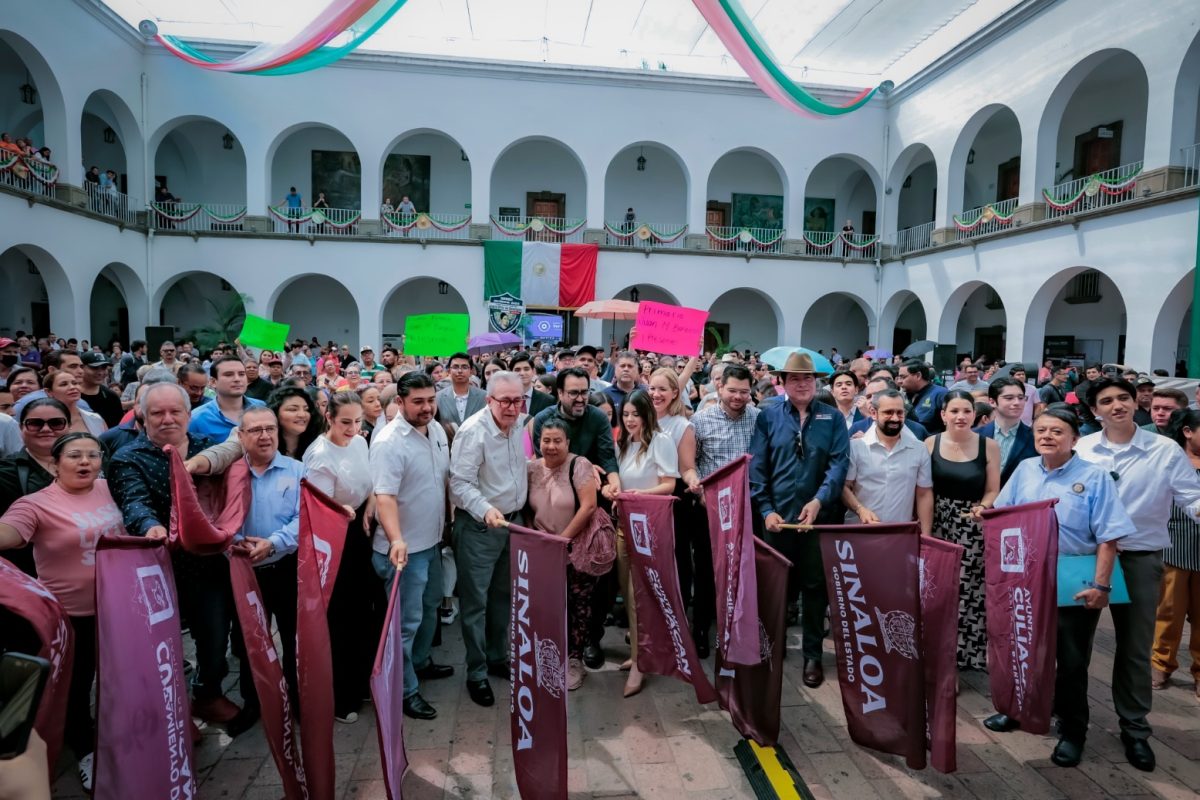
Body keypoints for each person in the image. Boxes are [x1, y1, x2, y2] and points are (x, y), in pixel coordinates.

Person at [986, 406, 1135, 767]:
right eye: (1041, 431)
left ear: (1074, 438)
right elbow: (1003, 516)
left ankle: (1073, 731)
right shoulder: (1024, 470)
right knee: (1024, 651)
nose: (1047, 437)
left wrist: (1102, 586)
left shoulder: (1095, 477)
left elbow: (1109, 537)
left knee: (1070, 662)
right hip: (1026, 579)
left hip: (1073, 579)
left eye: (1056, 431)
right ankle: (1019, 710)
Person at [1075, 378, 1200, 772]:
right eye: (1106, 401)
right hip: (1084, 560)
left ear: (1135, 404)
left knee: (1134, 648)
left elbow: (1193, 498)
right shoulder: (1082, 449)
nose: (1116, 406)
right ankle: (1072, 726)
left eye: (1123, 398)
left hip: (1141, 558)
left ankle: (1134, 730)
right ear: (1095, 410)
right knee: (1076, 646)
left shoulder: (1163, 451)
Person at [107, 384, 242, 724]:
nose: (167, 419)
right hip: (156, 567)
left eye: (175, 412)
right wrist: (150, 526)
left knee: (214, 637)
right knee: (159, 649)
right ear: (143, 416)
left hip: (208, 565)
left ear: (187, 414)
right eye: (157, 413)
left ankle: (207, 695)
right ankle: (169, 714)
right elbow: (133, 500)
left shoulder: (209, 448)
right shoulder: (128, 457)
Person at [0, 432, 120, 792]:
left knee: (121, 679)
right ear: (54, 464)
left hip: (122, 610)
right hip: (71, 617)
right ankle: (86, 751)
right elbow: (8, 534)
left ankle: (125, 739)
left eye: (92, 455)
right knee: (78, 687)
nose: (85, 462)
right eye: (74, 456)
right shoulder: (34, 504)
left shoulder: (111, 487)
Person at [748, 352, 849, 688]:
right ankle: (770, 649)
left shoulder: (832, 418)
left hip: (818, 520)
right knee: (773, 586)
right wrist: (765, 509)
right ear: (783, 382)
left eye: (807, 378)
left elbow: (838, 467)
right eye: (794, 378)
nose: (802, 384)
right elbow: (757, 467)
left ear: (816, 381)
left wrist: (819, 502)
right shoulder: (768, 414)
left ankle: (812, 656)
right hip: (777, 519)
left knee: (815, 587)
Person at [370, 372, 454, 720]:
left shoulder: (435, 430)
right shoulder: (389, 442)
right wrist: (397, 539)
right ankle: (405, 691)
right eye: (418, 402)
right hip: (403, 552)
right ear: (399, 403)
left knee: (431, 605)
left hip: (432, 541)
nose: (426, 407)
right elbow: (384, 497)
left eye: (431, 400)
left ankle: (420, 664)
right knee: (404, 624)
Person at [449, 371, 528, 707]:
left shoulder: (522, 423)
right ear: (489, 400)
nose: (512, 408)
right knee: (475, 604)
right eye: (505, 401)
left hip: (513, 524)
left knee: (502, 597)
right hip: (481, 527)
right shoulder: (473, 432)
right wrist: (486, 510)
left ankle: (498, 657)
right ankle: (477, 673)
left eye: (518, 400)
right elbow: (460, 484)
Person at [302, 392, 382, 723]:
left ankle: (364, 680)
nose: (352, 429)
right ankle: (341, 694)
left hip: (361, 529)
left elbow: (371, 482)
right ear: (329, 417)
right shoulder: (319, 455)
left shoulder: (361, 443)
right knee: (342, 618)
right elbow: (316, 508)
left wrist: (370, 504)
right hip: (334, 540)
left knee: (368, 610)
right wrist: (342, 511)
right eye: (345, 422)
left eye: (357, 422)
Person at [227, 406, 305, 733]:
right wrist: (238, 541)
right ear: (241, 436)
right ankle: (253, 702)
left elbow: (306, 519)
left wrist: (273, 542)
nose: (265, 436)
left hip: (285, 567)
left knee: (291, 637)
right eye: (256, 430)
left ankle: (296, 700)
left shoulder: (298, 470)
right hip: (243, 571)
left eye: (270, 429)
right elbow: (219, 516)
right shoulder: (229, 474)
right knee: (250, 642)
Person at [605, 389, 678, 697]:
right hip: (623, 524)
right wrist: (614, 491)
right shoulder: (622, 442)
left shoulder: (660, 441)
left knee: (640, 597)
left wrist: (640, 497)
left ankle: (642, 662)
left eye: (636, 414)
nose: (631, 420)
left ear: (648, 414)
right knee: (627, 591)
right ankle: (637, 652)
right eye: (627, 415)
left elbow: (670, 483)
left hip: (649, 526)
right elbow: (617, 479)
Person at [927, 389, 1001, 671]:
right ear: (943, 414)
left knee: (970, 591)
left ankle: (966, 656)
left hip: (973, 525)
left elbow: (993, 488)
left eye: (966, 411)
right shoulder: (930, 444)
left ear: (975, 415)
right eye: (954, 411)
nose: (960, 417)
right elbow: (924, 491)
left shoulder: (989, 446)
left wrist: (983, 506)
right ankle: (938, 652)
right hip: (939, 523)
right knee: (940, 590)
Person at [526, 418, 599, 690]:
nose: (552, 446)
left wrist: (563, 540)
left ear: (568, 442)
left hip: (575, 549)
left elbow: (589, 506)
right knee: (546, 606)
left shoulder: (579, 465)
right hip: (542, 550)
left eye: (558, 440)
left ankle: (575, 660)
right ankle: (548, 656)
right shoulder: (531, 468)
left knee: (578, 606)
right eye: (546, 440)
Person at [1150, 409, 1200, 700]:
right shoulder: (1170, 460)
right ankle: (1162, 663)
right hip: (1173, 545)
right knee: (1168, 611)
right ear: (1188, 432)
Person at [841, 389, 933, 532]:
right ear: (873, 413)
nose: (895, 418)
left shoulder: (919, 449)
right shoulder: (856, 447)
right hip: (860, 530)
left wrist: (926, 537)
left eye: (900, 413)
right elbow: (844, 487)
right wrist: (860, 510)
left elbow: (924, 493)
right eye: (888, 412)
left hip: (900, 533)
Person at [975, 376, 1038, 486]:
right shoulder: (975, 435)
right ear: (992, 401)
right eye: (1009, 398)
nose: (1017, 402)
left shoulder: (1035, 437)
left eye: (1021, 397)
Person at [188, 357, 264, 441]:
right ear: (213, 382)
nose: (237, 379)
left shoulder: (262, 407)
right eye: (229, 375)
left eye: (241, 374)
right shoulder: (196, 419)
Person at [437, 352, 486, 428]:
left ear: (471, 371)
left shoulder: (484, 397)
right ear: (449, 371)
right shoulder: (438, 397)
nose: (460, 371)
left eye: (464, 367)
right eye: (455, 367)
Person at [898, 359, 948, 434]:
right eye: (899, 377)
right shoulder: (902, 396)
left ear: (918, 376)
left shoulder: (941, 394)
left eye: (903, 377)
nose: (899, 381)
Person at [78, 352, 123, 429]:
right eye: (94, 368)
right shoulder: (72, 395)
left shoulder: (111, 397)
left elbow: (117, 428)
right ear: (81, 368)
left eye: (104, 367)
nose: (100, 372)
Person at [510, 352, 553, 416]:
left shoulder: (547, 400)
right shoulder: (504, 399)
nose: (522, 373)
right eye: (517, 370)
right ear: (511, 373)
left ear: (533, 372)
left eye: (526, 369)